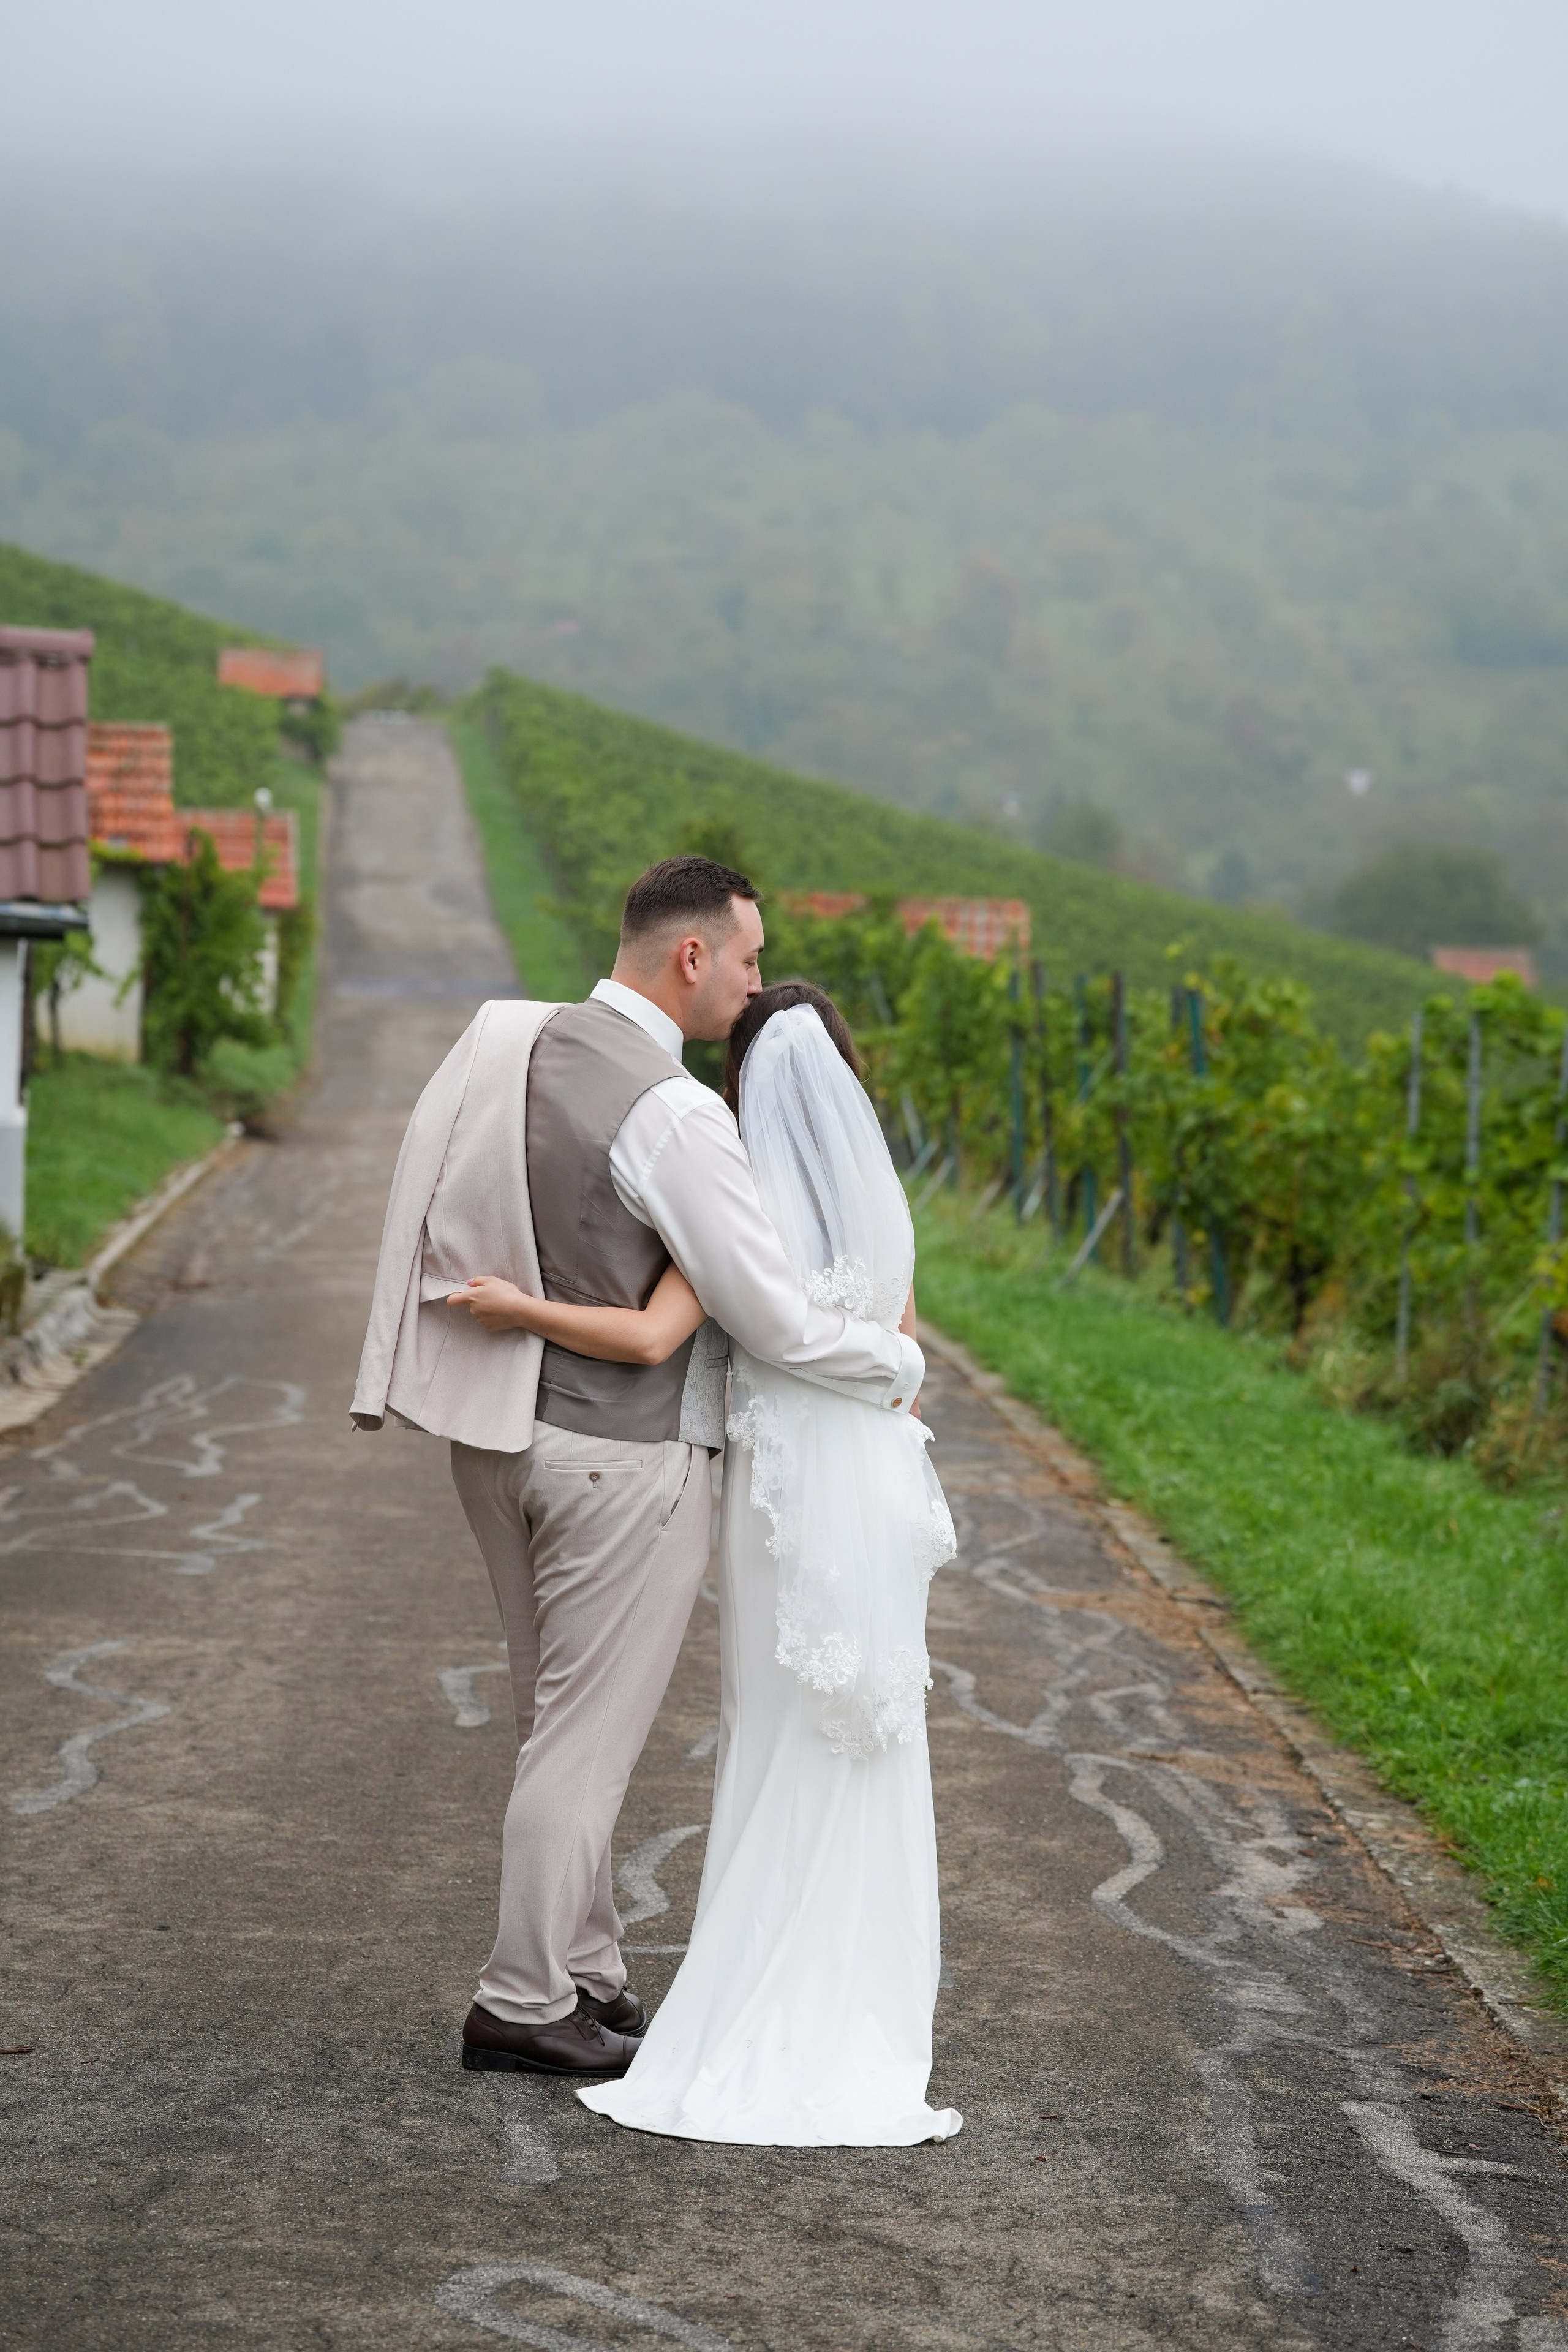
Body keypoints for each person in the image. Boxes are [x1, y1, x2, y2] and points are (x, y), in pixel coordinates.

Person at [351, 861, 925, 2084]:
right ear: (690, 959)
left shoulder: (511, 1044)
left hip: (493, 1439)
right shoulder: (673, 1113)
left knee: (552, 1721)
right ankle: (517, 1999)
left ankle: (584, 1974)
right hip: (616, 1458)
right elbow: (765, 1314)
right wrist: (887, 1361)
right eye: (748, 961)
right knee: (583, 1740)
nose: (753, 984)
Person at [453, 982, 962, 2147]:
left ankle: (725, 1986)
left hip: (787, 1489)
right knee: (872, 1729)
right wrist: (884, 1368)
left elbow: (653, 1338)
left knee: (778, 1724)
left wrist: (516, 1307)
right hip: (876, 1481)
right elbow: (909, 1348)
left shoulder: (747, 1201)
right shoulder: (881, 1208)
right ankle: (860, 1994)